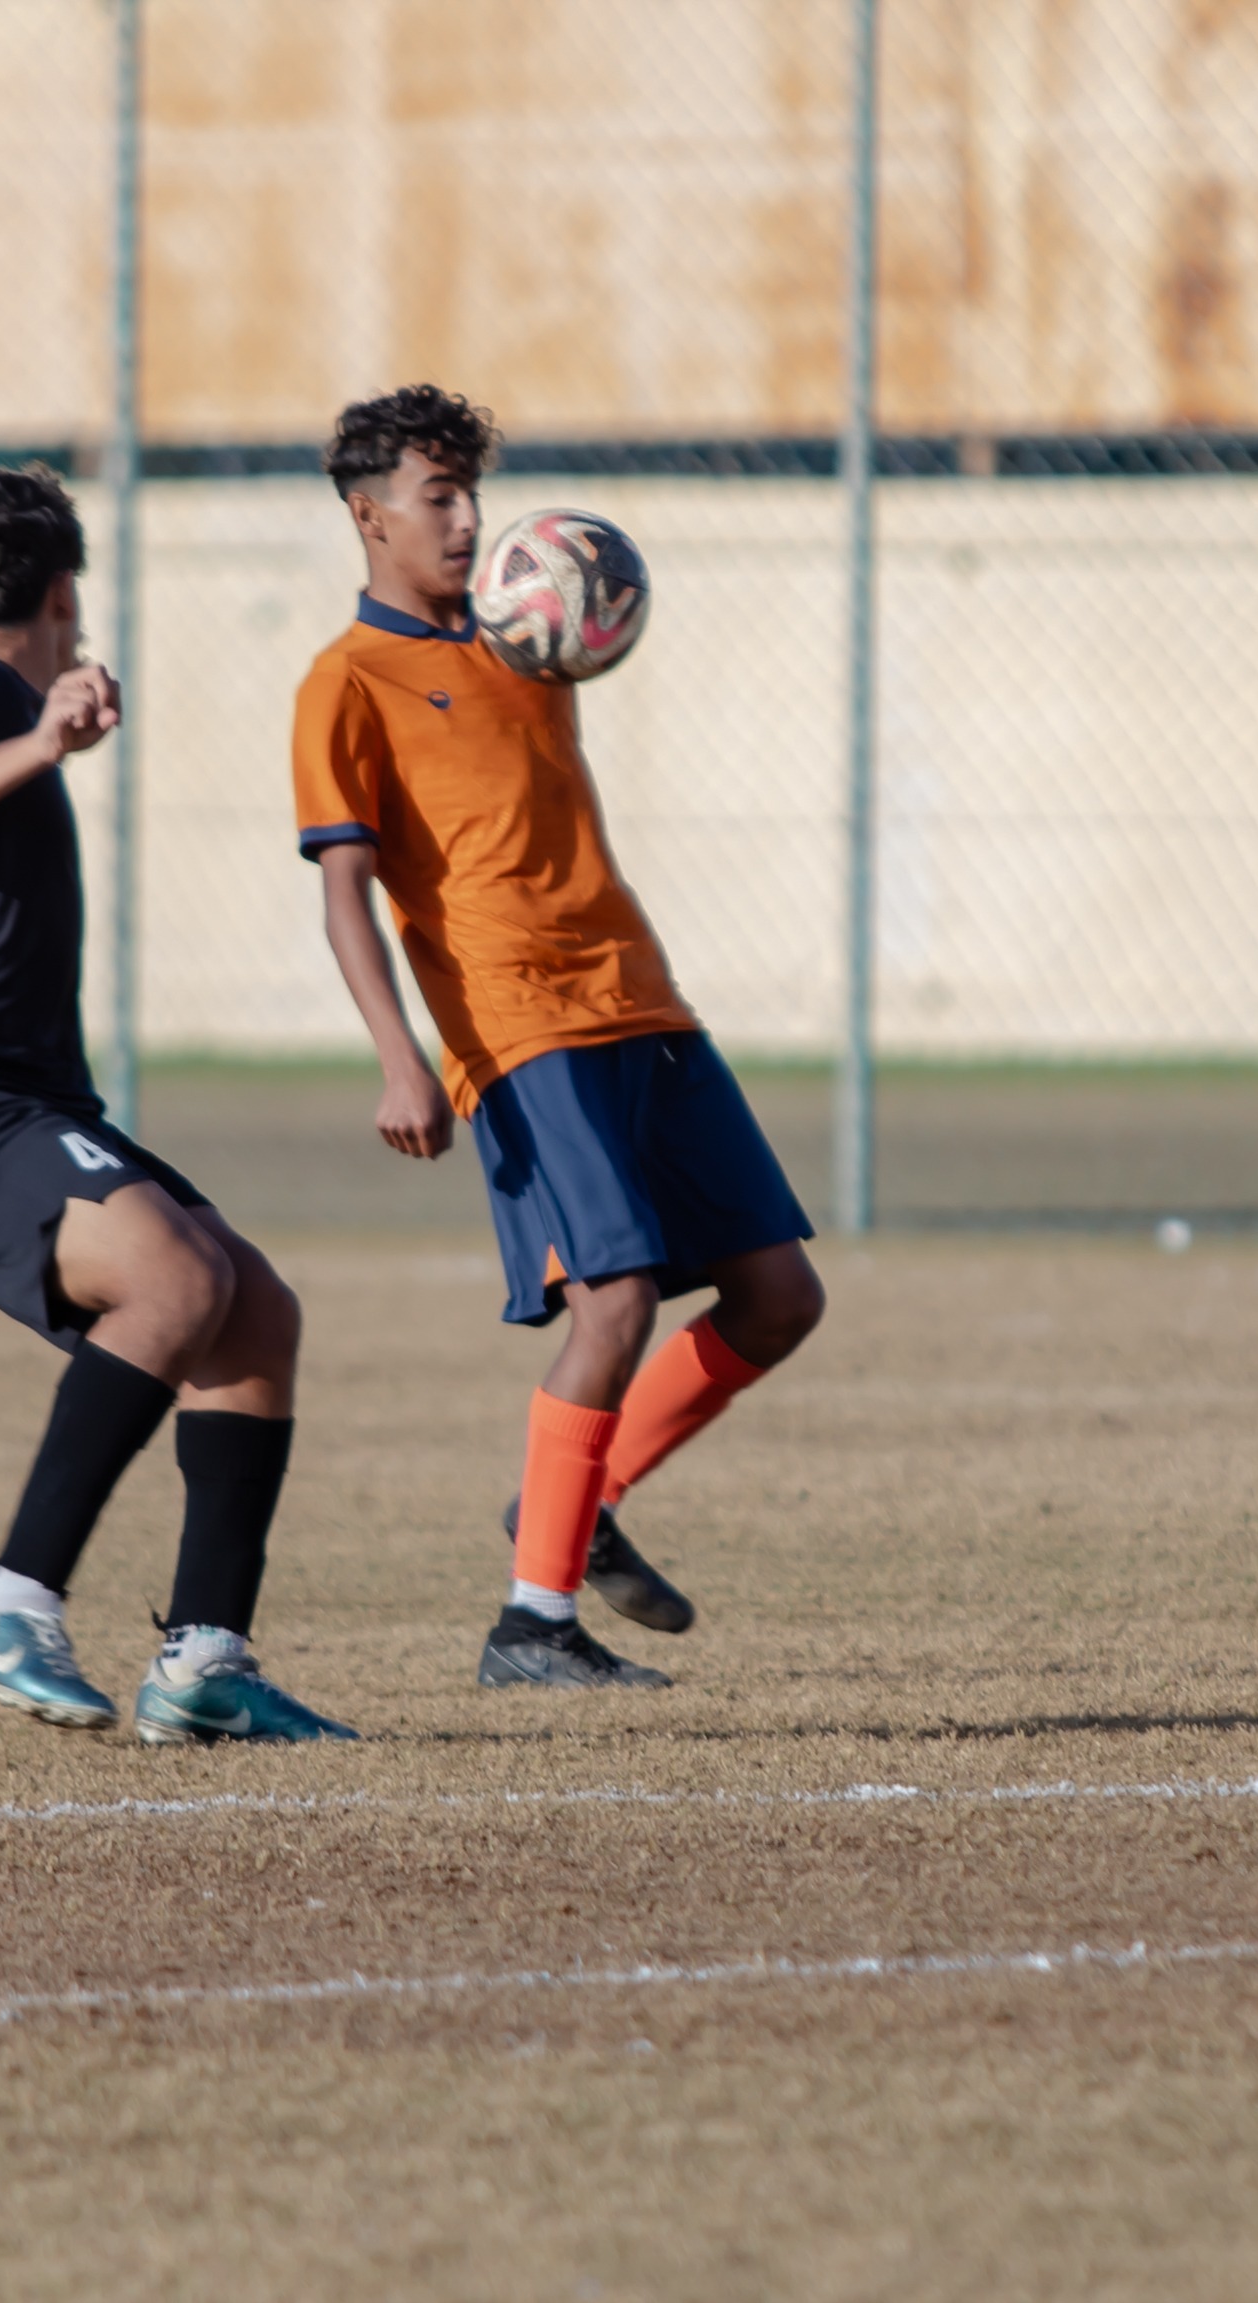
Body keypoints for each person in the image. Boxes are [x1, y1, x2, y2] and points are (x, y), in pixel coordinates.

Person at [292, 386, 825, 1688]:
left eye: (474, 494)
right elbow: (344, 892)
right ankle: (531, 1623)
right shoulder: (345, 684)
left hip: (640, 1000)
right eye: (438, 498)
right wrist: (400, 1058)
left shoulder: (526, 638)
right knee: (617, 1299)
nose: (468, 521)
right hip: (514, 1024)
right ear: (368, 516)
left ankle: (561, 1511)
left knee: (777, 1296)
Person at [0, 463, 351, 1742]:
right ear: (66, 594)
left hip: (11, 1095)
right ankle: (13, 1605)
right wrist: (36, 739)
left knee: (253, 1311)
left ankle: (207, 1661)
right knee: (174, 1284)